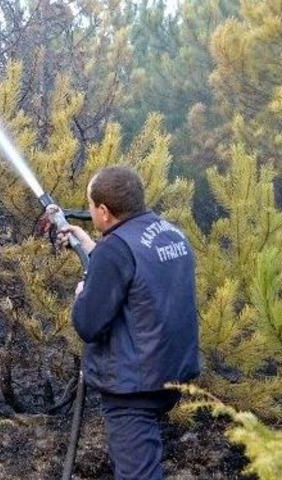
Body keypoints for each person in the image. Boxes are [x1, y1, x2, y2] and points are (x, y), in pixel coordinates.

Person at [58, 166, 199, 480]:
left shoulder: (115, 251)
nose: (91, 213)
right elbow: (141, 278)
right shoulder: (170, 233)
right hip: (169, 372)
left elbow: (88, 324)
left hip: (134, 385)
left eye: (91, 206)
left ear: (105, 211)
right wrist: (93, 250)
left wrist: (83, 293)